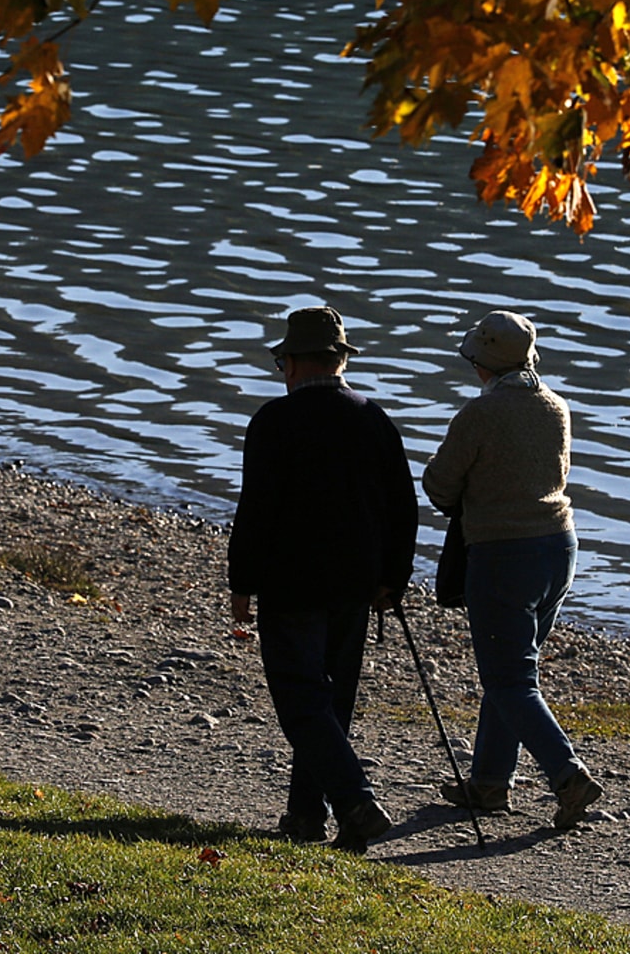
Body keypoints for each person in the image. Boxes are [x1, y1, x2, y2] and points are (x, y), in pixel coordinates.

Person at [228, 305, 418, 853]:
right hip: (355, 583)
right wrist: (392, 578)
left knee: (300, 700)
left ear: (289, 364)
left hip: (291, 582)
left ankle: (356, 800)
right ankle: (308, 818)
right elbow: (402, 509)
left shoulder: (273, 422)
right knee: (332, 704)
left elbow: (256, 509)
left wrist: (242, 582)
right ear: (340, 362)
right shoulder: (374, 418)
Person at [422, 310, 603, 831]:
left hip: (504, 553)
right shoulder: (557, 407)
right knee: (513, 672)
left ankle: (568, 775)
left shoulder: (478, 415)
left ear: (480, 362)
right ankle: (488, 783)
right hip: (560, 547)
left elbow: (440, 487)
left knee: (509, 679)